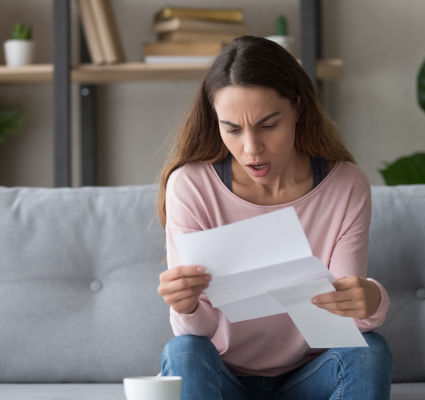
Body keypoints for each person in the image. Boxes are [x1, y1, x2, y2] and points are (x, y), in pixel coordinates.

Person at [156, 36, 392, 400]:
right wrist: (185, 306)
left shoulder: (345, 185)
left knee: (370, 352)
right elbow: (197, 333)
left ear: (297, 108)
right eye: (232, 129)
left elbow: (347, 323)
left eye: (268, 125)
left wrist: (373, 299)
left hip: (310, 375)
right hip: (223, 375)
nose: (251, 149)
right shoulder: (190, 186)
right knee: (183, 351)